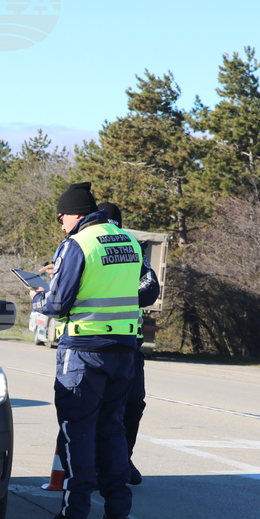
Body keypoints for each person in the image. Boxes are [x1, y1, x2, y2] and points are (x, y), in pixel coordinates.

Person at [30, 182, 145, 519]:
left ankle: (74, 514)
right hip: (124, 351)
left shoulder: (77, 244)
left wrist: (38, 298)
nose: (60, 223)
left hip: (83, 353)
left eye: (61, 217)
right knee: (112, 430)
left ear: (75, 214)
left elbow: (59, 303)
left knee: (76, 432)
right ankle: (117, 512)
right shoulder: (128, 241)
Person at [97, 202, 161, 485]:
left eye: (115, 223)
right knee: (89, 409)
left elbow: (150, 290)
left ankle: (123, 459)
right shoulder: (84, 247)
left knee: (133, 404)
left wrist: (118, 292)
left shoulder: (131, 248)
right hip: (89, 344)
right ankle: (88, 466)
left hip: (128, 344)